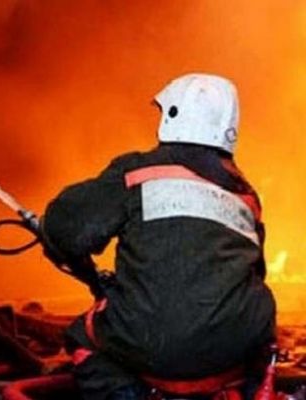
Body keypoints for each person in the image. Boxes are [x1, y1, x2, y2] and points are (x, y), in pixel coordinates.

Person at [40, 73, 276, 400]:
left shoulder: (138, 172)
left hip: (151, 343)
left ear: (172, 116)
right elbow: (254, 273)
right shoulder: (245, 195)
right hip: (233, 353)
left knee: (83, 336)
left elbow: (66, 230)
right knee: (256, 337)